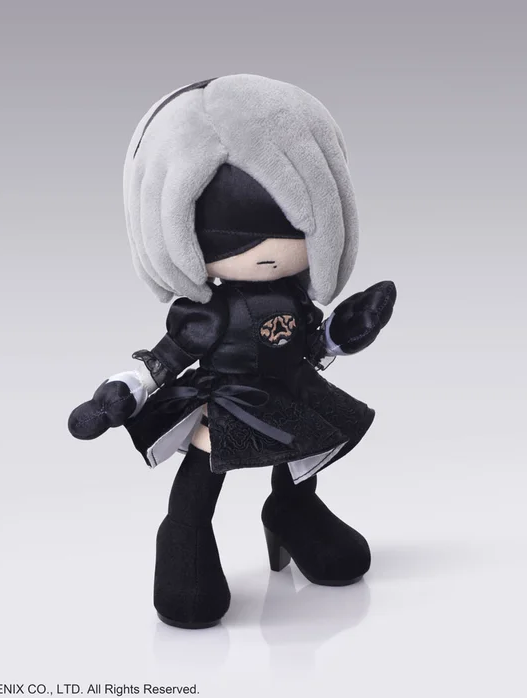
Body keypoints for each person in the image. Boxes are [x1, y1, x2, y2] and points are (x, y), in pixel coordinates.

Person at [68, 74, 397, 629]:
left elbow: (306, 344)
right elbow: (169, 356)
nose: (268, 252)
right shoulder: (207, 313)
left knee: (301, 456)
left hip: (289, 388)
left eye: (292, 227)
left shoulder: (293, 297)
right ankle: (186, 538)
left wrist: (340, 334)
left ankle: (293, 511)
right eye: (232, 238)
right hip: (226, 399)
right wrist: (123, 390)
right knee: (202, 479)